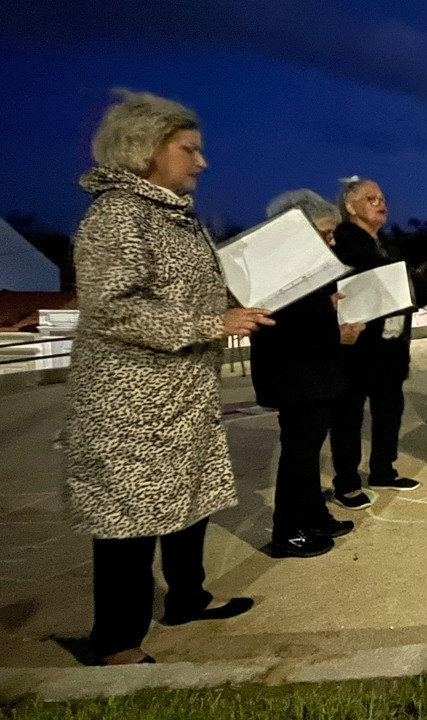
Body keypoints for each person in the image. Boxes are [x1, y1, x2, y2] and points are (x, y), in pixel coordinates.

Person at [65, 90, 260, 665]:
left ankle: (187, 596)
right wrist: (212, 320)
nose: (201, 162)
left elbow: (183, 289)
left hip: (181, 390)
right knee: (129, 517)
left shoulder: (172, 215)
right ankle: (115, 640)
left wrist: (233, 301)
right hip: (132, 398)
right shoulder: (117, 214)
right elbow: (113, 309)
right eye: (189, 149)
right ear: (147, 148)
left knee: (188, 499)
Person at [251, 190, 363, 558]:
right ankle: (288, 531)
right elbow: (286, 330)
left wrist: (328, 309)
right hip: (296, 378)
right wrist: (337, 331)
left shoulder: (306, 267)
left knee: (308, 451)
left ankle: (314, 516)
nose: (332, 241)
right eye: (325, 234)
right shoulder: (278, 269)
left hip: (314, 375)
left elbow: (308, 316)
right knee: (298, 455)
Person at [328, 176, 422, 509]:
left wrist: (421, 289)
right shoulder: (343, 242)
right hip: (358, 347)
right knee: (348, 418)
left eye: (382, 197)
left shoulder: (386, 243)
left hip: (391, 346)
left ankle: (384, 469)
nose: (381, 202)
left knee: (389, 412)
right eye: (371, 198)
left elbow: (400, 284)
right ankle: (347, 483)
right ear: (350, 207)